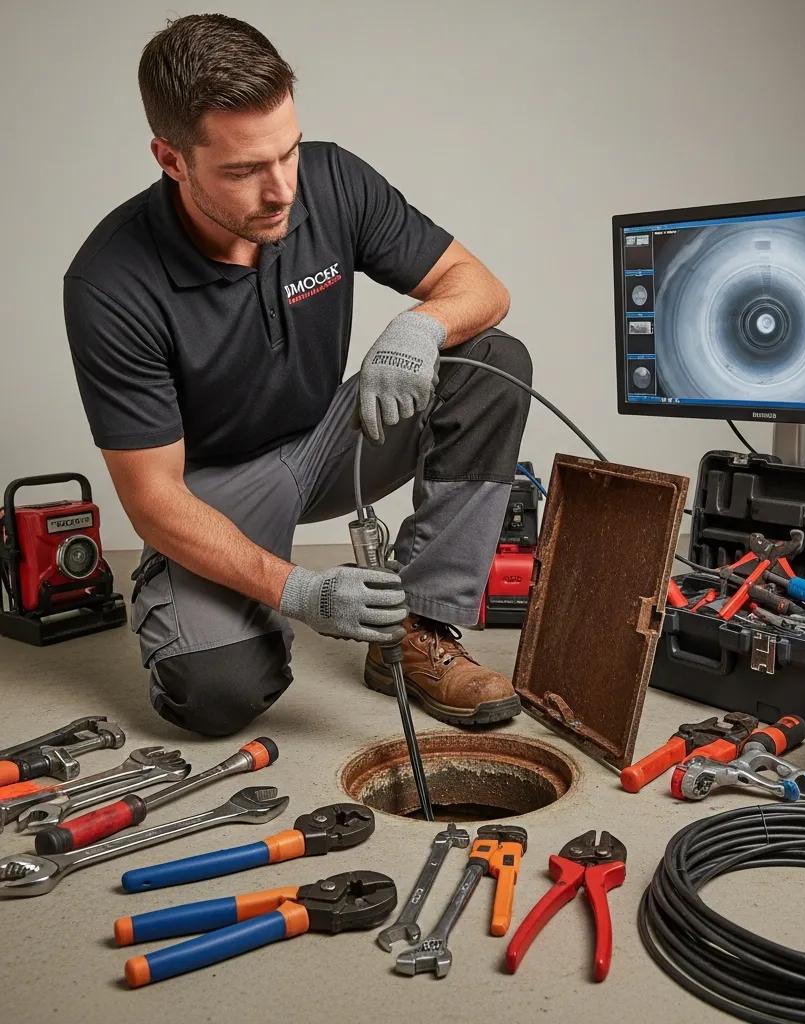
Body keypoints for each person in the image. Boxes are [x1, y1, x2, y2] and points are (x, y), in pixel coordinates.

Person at [63, 14, 531, 737]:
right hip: (214, 493)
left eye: (287, 153)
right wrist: (301, 591)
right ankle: (187, 592)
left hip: (331, 443)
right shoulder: (110, 282)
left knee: (489, 359)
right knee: (214, 696)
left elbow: (480, 286)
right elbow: (152, 499)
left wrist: (420, 325)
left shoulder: (333, 177)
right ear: (171, 158)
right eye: (244, 170)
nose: (282, 189)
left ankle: (418, 632)